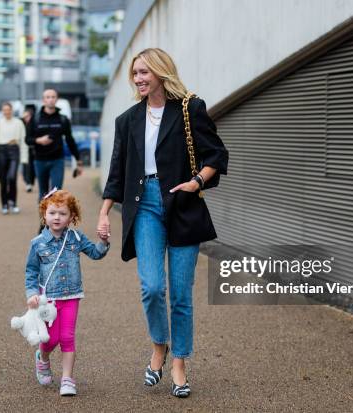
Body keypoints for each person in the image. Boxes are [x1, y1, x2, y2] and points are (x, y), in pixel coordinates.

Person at [97, 48, 228, 398]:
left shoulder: (189, 108)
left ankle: (179, 363)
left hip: (182, 203)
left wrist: (196, 182)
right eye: (135, 73)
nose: (139, 79)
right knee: (152, 287)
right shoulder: (126, 120)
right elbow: (117, 170)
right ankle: (159, 345)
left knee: (181, 294)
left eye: (144, 72)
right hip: (144, 206)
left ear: (160, 72)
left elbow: (217, 154)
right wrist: (104, 212)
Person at [24, 188, 110, 396]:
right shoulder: (37, 244)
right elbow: (31, 271)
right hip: (48, 300)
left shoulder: (76, 238)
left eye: (62, 214)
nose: (57, 217)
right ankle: (42, 359)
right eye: (52, 212)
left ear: (72, 217)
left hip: (72, 296)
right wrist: (31, 294)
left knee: (67, 337)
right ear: (44, 214)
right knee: (50, 339)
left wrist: (104, 241)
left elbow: (95, 253)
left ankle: (67, 379)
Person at [27, 89, 83, 200]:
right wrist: (39, 140)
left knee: (56, 193)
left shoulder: (63, 119)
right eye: (48, 97)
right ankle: (45, 217)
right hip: (40, 160)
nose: (50, 100)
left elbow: (70, 140)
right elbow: (27, 139)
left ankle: (54, 217)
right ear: (43, 100)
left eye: (53, 97)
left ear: (56, 99)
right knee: (43, 194)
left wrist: (78, 159)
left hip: (57, 160)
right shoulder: (35, 119)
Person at [0, 102, 28, 215]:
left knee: (12, 177)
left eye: (8, 109)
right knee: (3, 180)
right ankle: (4, 204)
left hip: (14, 150)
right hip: (1, 151)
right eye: (4, 110)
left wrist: (24, 158)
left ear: (11, 110)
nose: (7, 112)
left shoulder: (19, 123)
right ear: (2, 111)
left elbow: (23, 140)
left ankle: (13, 202)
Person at [21, 108, 36, 193]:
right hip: (24, 149)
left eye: (28, 116)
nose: (26, 118)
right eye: (25, 116)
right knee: (25, 166)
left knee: (32, 167)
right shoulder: (21, 123)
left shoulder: (34, 124)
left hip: (32, 148)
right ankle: (28, 183)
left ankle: (30, 182)